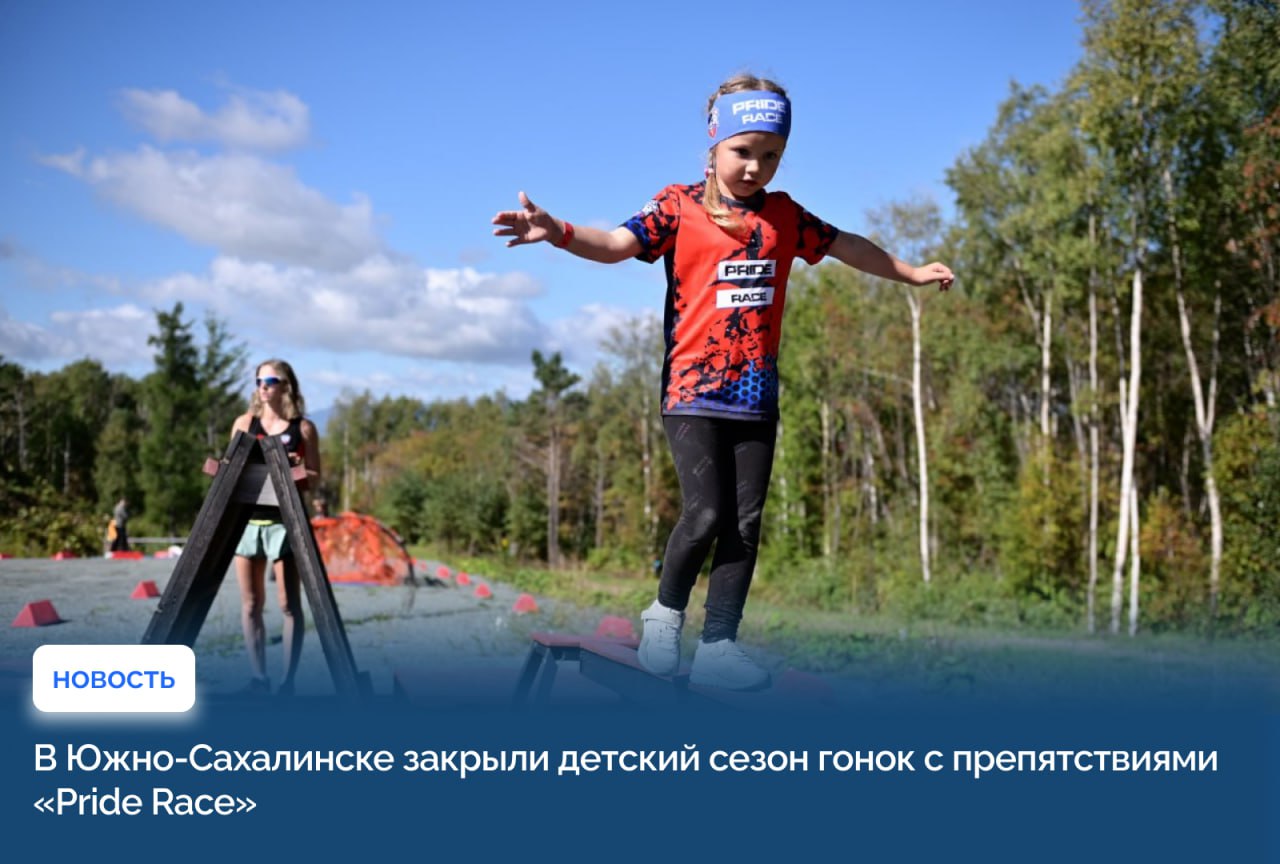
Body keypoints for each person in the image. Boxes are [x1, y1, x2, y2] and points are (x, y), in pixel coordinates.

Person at [493, 73, 953, 691]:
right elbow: (616, 243)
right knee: (706, 512)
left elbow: (848, 246)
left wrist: (913, 272)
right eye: (743, 151)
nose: (755, 167)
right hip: (691, 390)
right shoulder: (676, 207)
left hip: (756, 396)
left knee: (745, 523)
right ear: (712, 145)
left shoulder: (785, 217)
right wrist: (562, 232)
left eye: (771, 156)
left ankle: (719, 645)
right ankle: (664, 612)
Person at [229, 359, 322, 696]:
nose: (263, 386)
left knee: (288, 604)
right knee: (251, 605)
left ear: (287, 386)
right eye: (258, 380)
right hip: (247, 523)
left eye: (271, 380)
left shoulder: (304, 429)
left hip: (286, 524)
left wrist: (293, 470)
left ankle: (287, 682)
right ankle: (258, 678)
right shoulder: (244, 423)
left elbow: (314, 478)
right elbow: (229, 471)